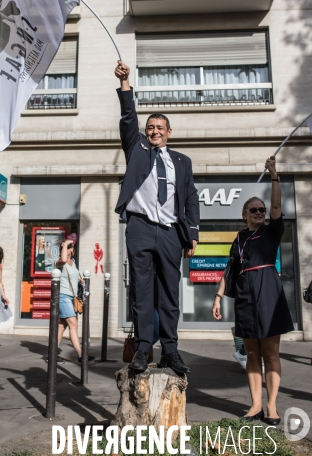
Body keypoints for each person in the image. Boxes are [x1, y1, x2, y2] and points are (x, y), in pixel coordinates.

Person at [114, 60, 200, 374]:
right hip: (139, 228)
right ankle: (143, 349)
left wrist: (192, 233)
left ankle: (172, 351)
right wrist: (126, 86)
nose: (154, 132)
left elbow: (190, 198)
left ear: (168, 133)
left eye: (159, 128)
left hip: (169, 233)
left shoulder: (182, 161)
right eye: (150, 128)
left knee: (169, 294)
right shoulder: (136, 148)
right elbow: (127, 118)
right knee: (142, 291)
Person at [212, 156, 293, 425]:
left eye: (262, 210)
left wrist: (274, 175)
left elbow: (277, 204)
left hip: (268, 294)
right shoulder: (238, 238)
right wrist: (218, 296)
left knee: (270, 354)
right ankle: (255, 404)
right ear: (245, 215)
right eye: (254, 210)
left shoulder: (271, 232)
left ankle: (271, 406)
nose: (260, 212)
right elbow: (229, 270)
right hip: (245, 298)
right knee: (252, 355)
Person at [53, 235, 95, 365]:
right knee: (73, 324)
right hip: (62, 297)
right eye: (66, 247)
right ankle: (81, 355)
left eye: (71, 247)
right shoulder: (59, 262)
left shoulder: (74, 262)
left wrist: (80, 281)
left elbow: (73, 276)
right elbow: (64, 259)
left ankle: (52, 354)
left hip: (71, 297)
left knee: (61, 326)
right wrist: (65, 243)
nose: (69, 249)